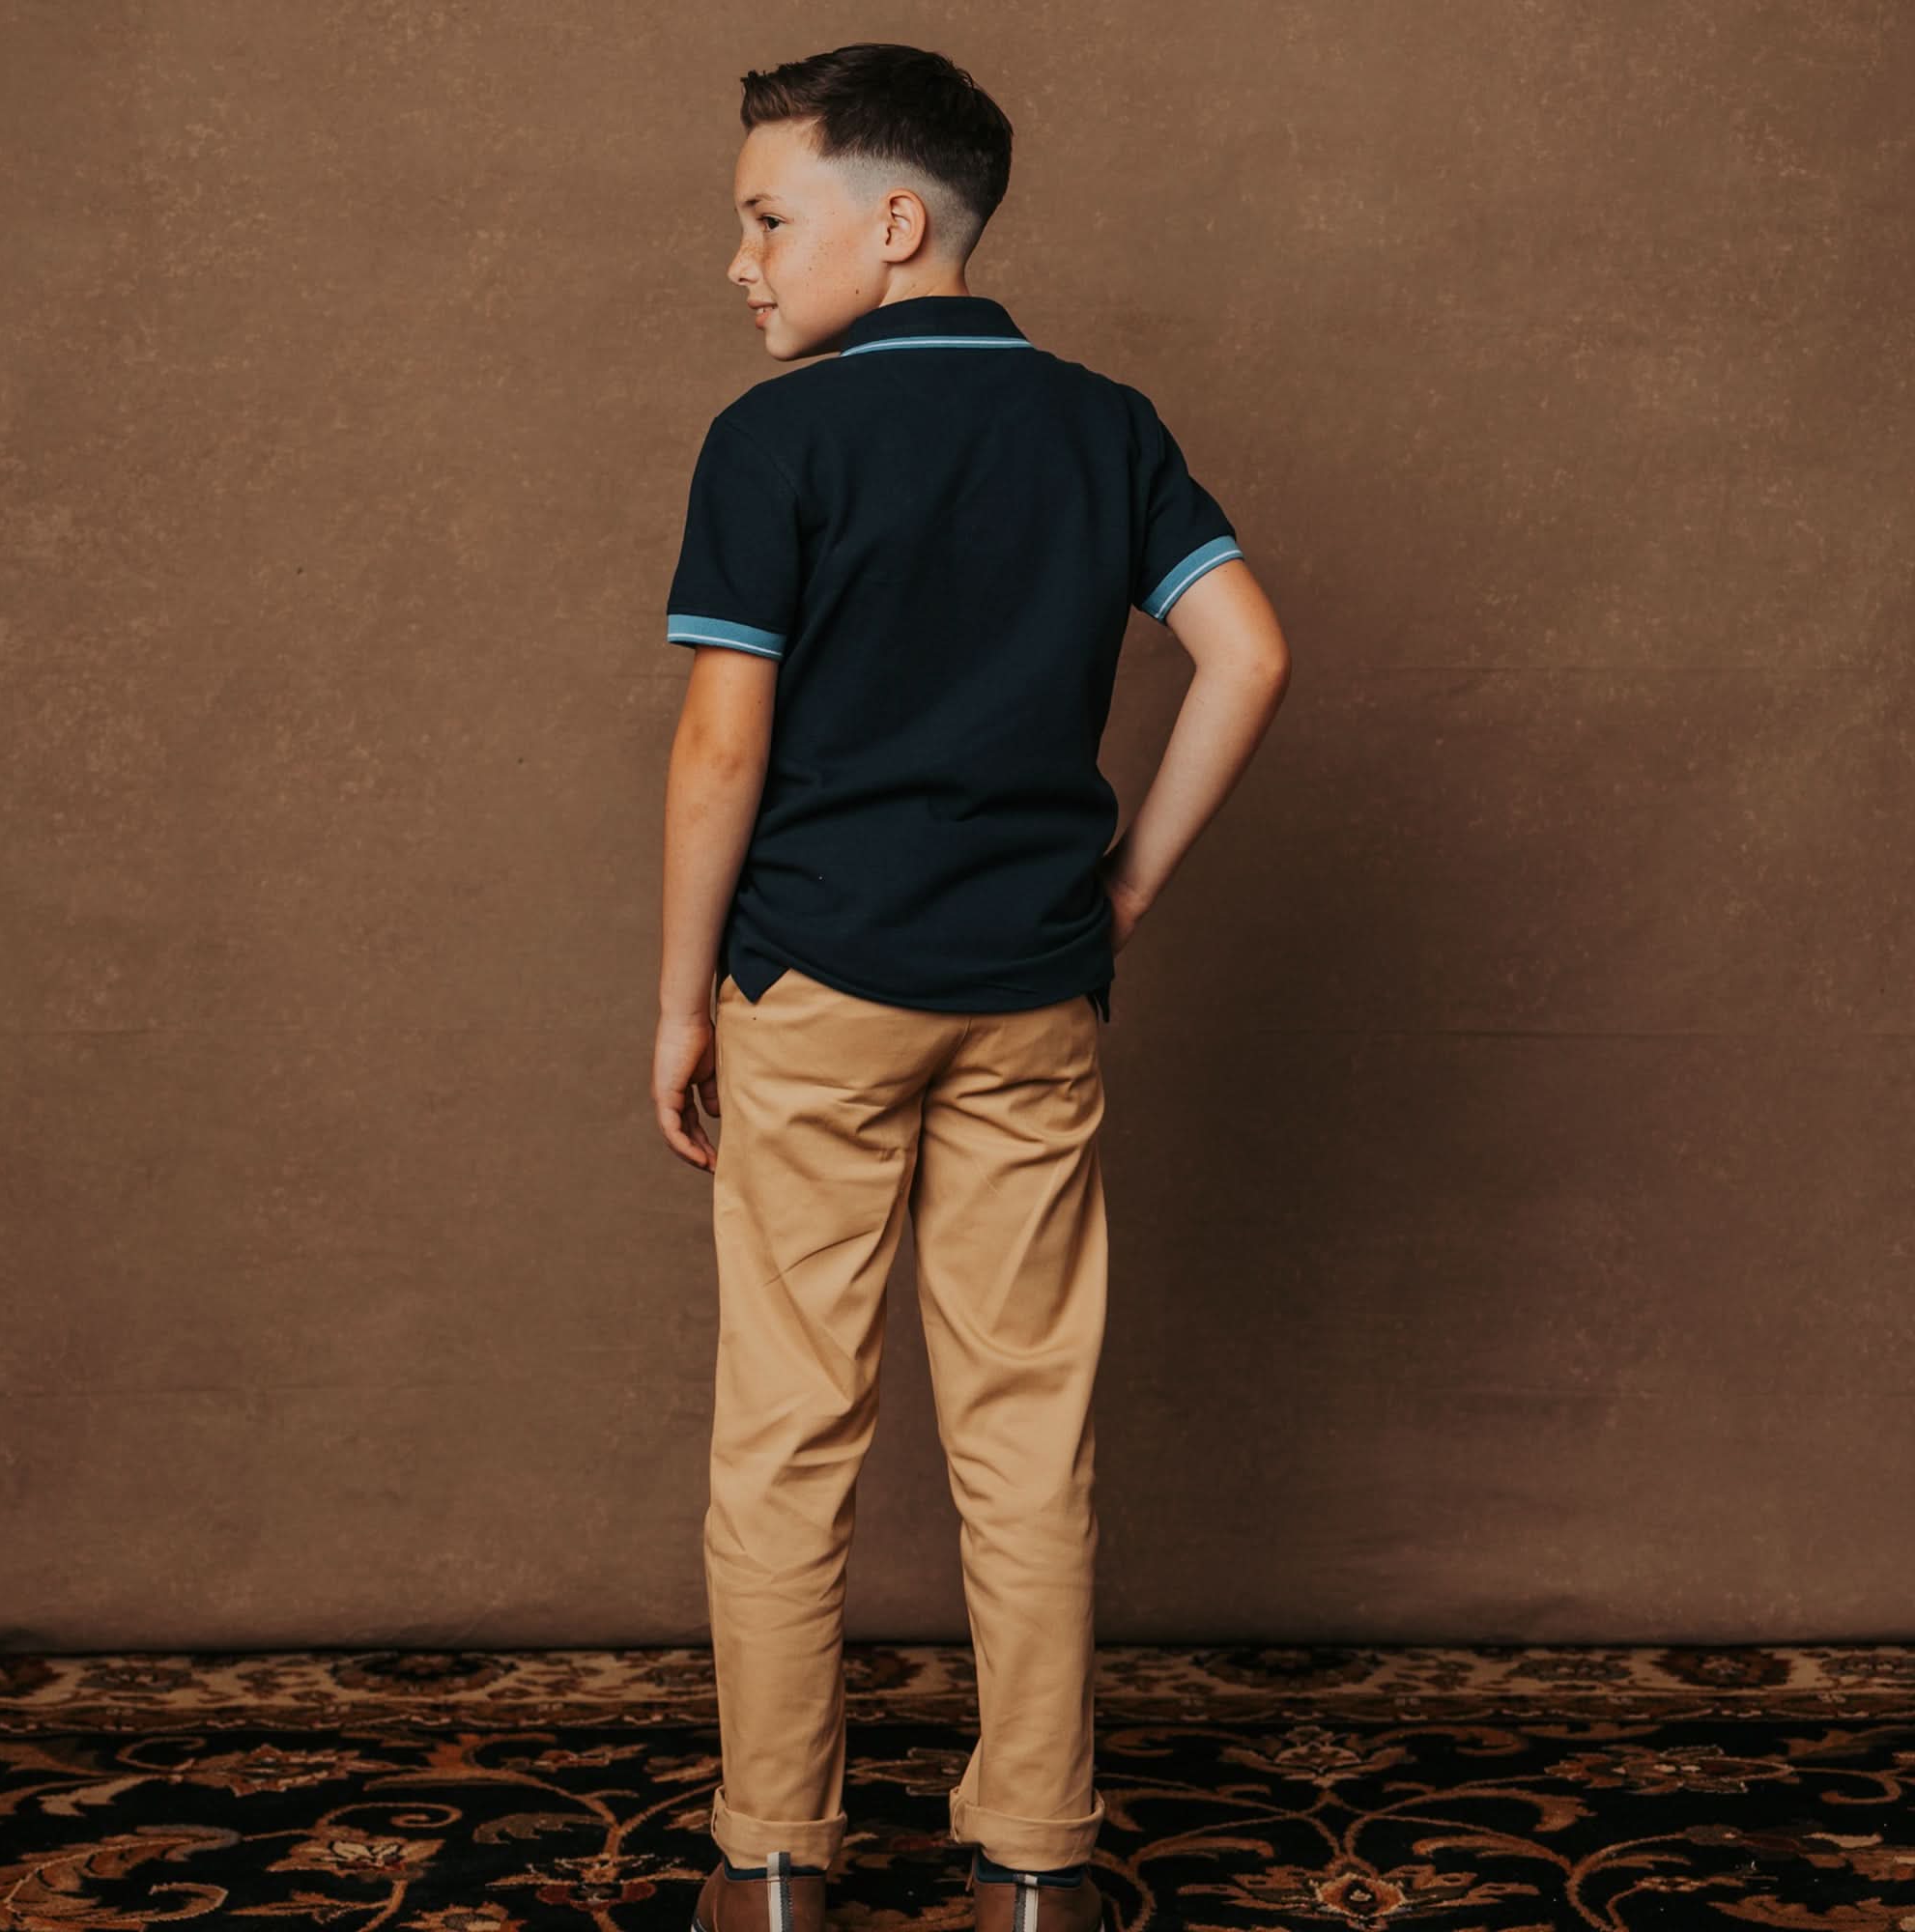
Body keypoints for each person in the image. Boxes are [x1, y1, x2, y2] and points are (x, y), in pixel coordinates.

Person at [651, 42, 1290, 1932]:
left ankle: (775, 1859)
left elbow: (719, 749)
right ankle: (1036, 1861)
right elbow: (1247, 654)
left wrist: (682, 1003)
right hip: (1031, 991)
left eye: (768, 217)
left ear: (892, 222)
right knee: (1025, 1429)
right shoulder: (1104, 426)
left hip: (816, 981)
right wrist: (1125, 883)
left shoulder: (772, 441)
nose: (742, 260)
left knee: (790, 1426)